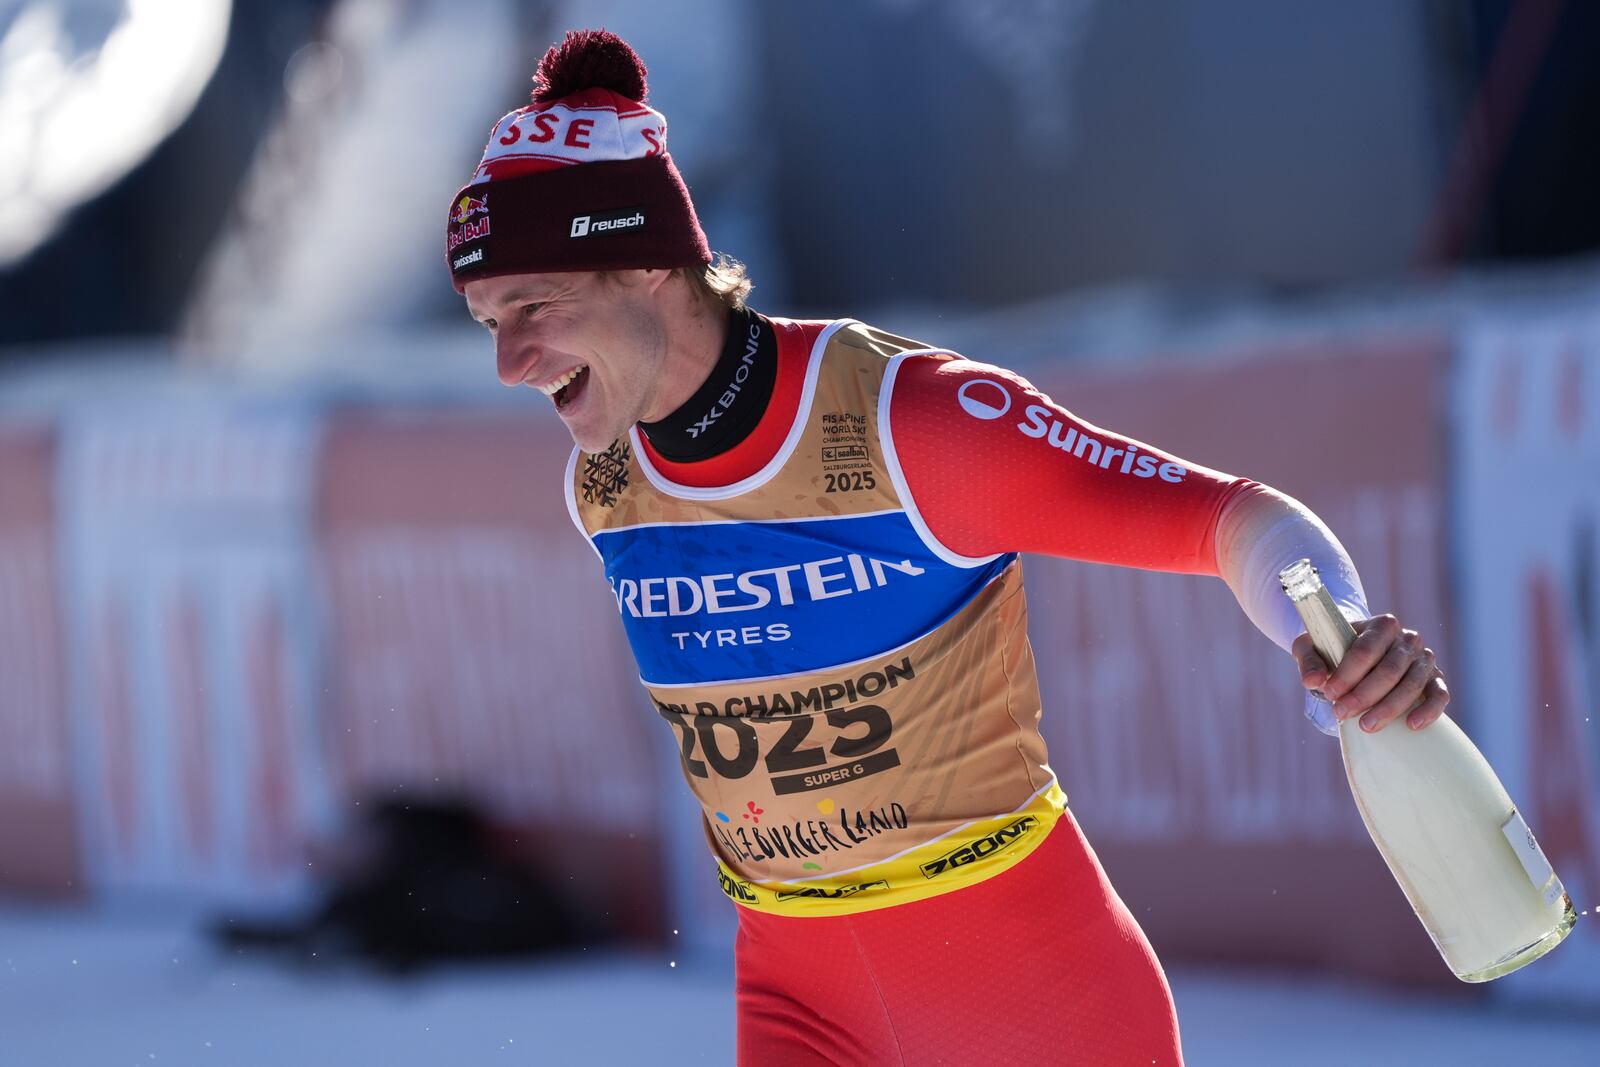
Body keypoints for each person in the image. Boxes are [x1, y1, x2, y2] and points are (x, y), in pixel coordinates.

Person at [445, 29, 1450, 1066]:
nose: (512, 361)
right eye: (486, 320)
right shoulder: (603, 483)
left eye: (535, 305)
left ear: (649, 258)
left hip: (1029, 993)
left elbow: (1239, 519)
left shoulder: (908, 421)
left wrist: (1340, 635)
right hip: (797, 994)